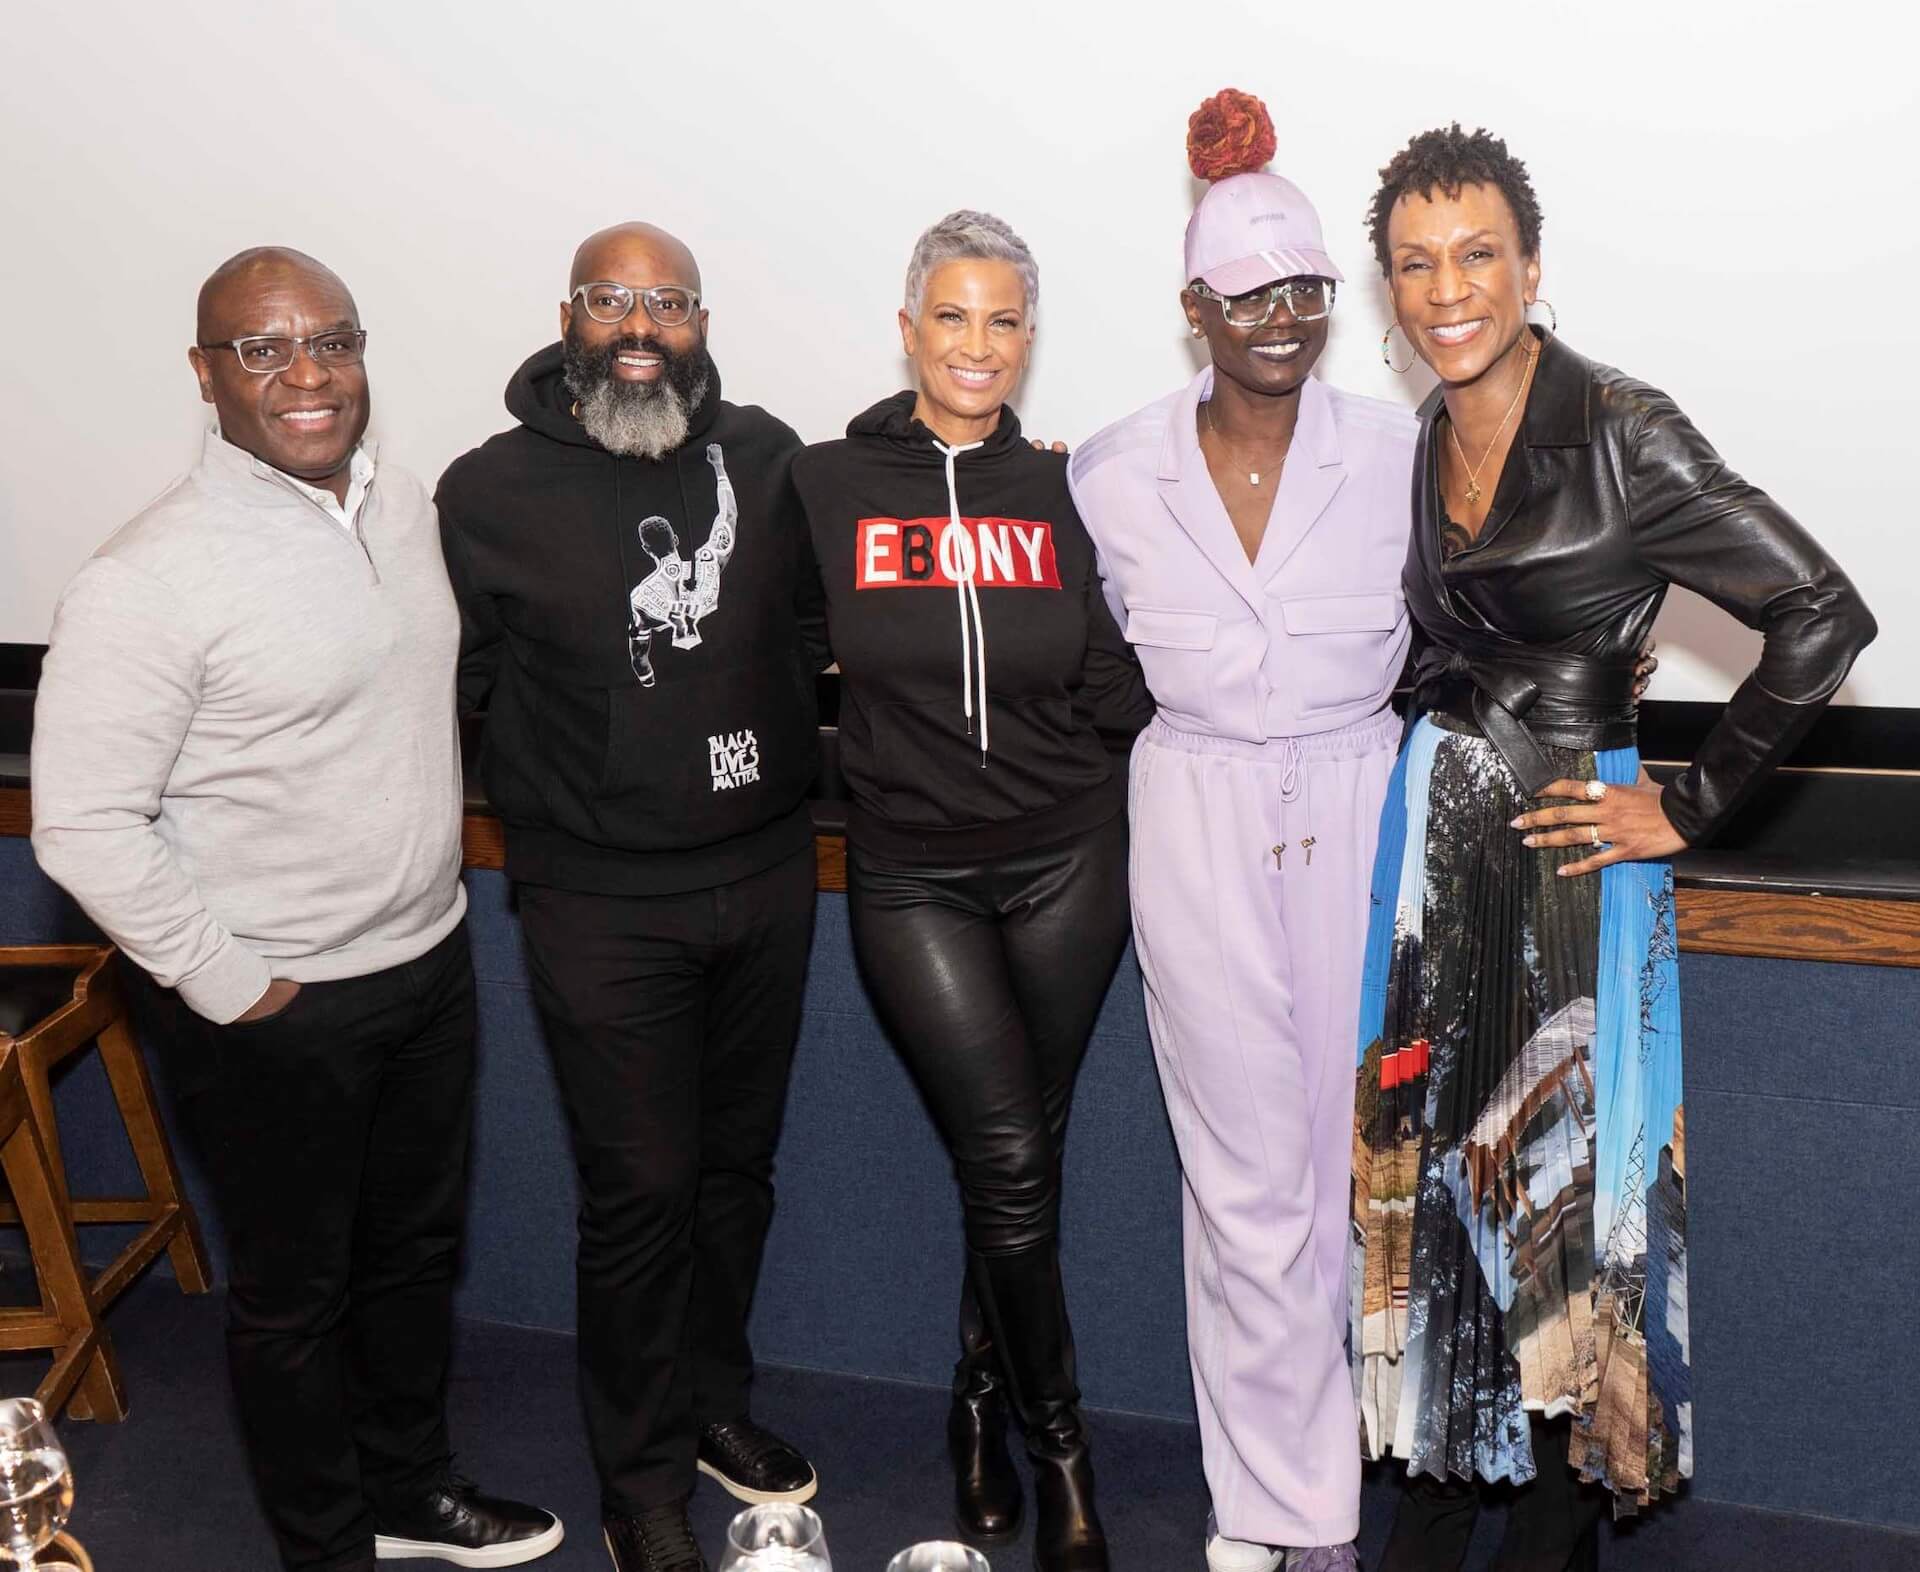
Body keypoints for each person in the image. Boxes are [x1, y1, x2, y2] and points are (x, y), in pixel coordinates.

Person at [1351, 125, 1876, 1572]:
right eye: (1416, 263)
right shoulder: (1428, 431)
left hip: (1574, 864)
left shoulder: (1623, 427)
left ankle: (1553, 1534)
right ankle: (1442, 1494)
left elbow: (1822, 613)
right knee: (1455, 1188)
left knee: (1569, 1199)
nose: (1448, 289)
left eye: (1477, 255)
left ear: (1532, 267)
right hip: (1444, 862)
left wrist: (1691, 805)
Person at [29, 247, 561, 1571]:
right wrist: (232, 982)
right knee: (295, 1301)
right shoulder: (146, 578)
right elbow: (81, 822)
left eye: (332, 340)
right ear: (204, 373)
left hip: (426, 963)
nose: (307, 372)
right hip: (274, 1005)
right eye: (263, 349)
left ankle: (407, 1491)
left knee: (411, 1258)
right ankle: (325, 1549)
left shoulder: (402, 508)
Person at [435, 223, 822, 1572]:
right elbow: (461, 688)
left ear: (701, 322)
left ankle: (711, 1405)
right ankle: (640, 1477)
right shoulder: (486, 490)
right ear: (568, 318)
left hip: (768, 876)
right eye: (612, 299)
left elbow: (812, 629)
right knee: (641, 1194)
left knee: (735, 1176)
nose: (640, 325)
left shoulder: (766, 459)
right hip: (598, 903)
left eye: (668, 301)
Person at [1067, 91, 1410, 1572]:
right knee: (1243, 1179)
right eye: (1249, 293)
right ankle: (1285, 1508)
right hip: (1196, 808)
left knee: (1355, 1162)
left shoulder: (1400, 453)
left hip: (1363, 802)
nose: (1282, 318)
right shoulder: (1106, 470)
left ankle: (1330, 1465)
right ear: (1193, 307)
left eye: (1307, 288)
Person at [791, 210, 1153, 1572]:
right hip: (915, 874)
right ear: (908, 329)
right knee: (1006, 1160)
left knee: (1022, 1157)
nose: (977, 345)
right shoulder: (826, 485)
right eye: (952, 316)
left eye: (1004, 321)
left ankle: (976, 1400)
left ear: (1028, 339)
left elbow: (1113, 679)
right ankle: (1063, 1455)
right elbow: (771, 652)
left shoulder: (1067, 491)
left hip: (1071, 856)